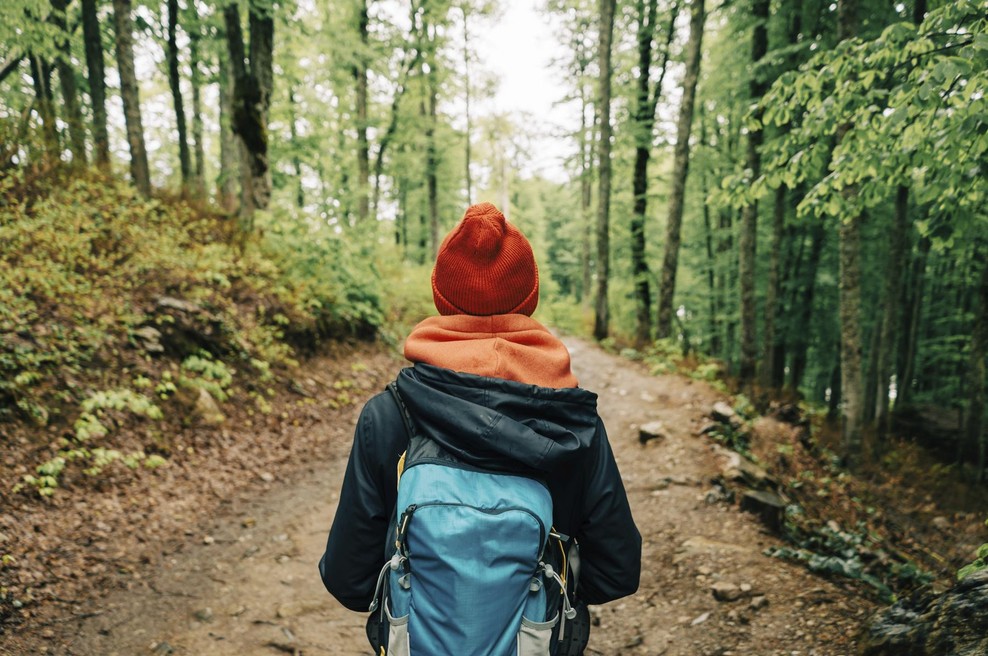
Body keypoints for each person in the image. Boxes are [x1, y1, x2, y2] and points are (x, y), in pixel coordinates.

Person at [319, 201, 641, 654]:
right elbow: (616, 572)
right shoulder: (573, 421)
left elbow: (348, 580)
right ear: (529, 298)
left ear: (441, 298)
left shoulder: (390, 414)